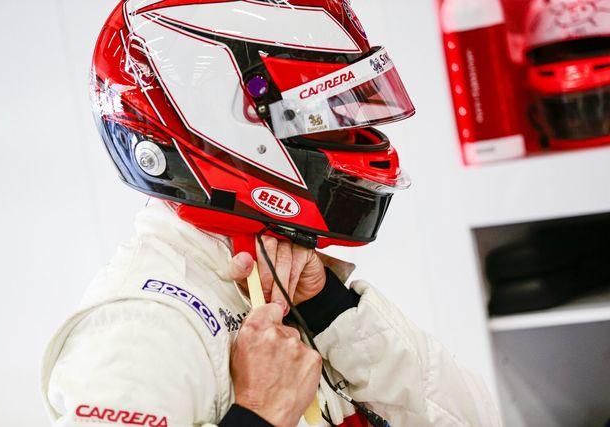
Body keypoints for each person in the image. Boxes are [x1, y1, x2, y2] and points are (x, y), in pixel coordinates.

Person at [42, 1, 501, 426]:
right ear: (224, 128)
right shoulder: (140, 329)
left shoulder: (285, 272)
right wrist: (259, 414)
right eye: (320, 113)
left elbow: (476, 419)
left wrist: (330, 309)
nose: (353, 133)